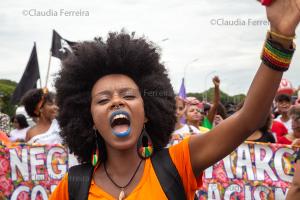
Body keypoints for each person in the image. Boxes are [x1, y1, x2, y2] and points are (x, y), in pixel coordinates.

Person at [50, 2, 300, 199]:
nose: (117, 102)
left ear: (147, 112)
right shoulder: (73, 187)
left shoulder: (179, 163)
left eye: (128, 95)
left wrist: (280, 36)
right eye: (103, 100)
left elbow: (248, 119)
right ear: (90, 120)